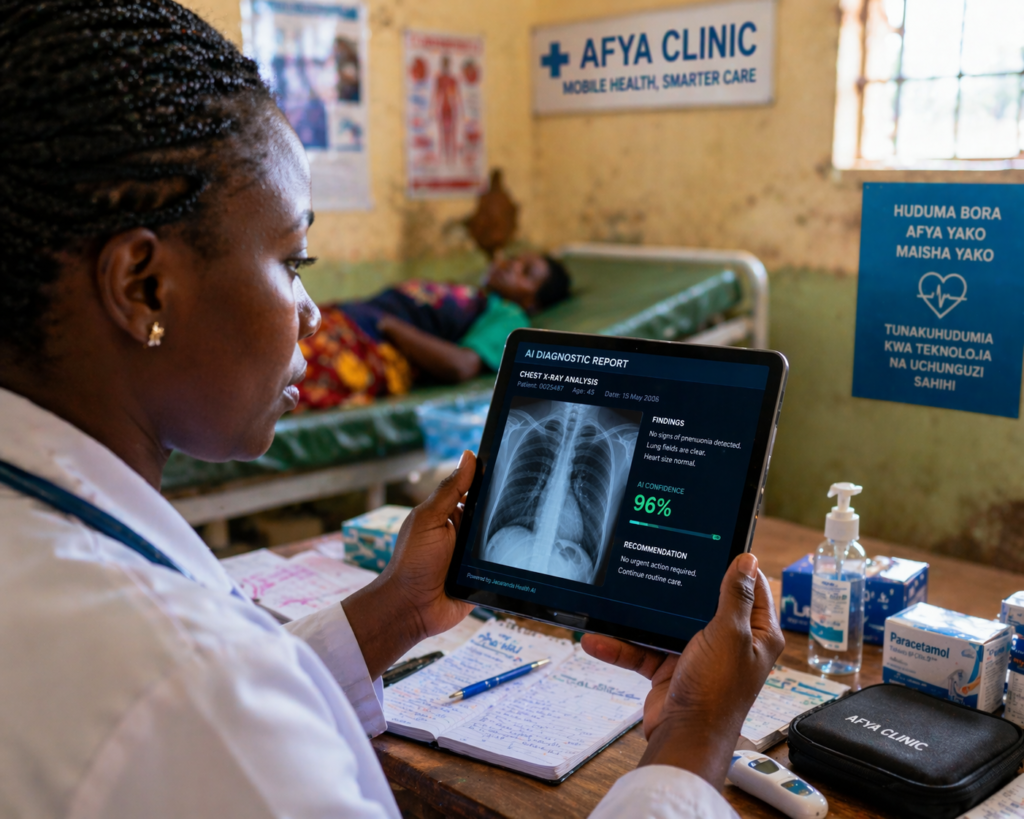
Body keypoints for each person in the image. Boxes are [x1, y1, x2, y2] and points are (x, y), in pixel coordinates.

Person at [0, 3, 784, 817]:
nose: (310, 311)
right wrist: (696, 730)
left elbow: (242, 688)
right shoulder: (195, 695)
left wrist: (398, 608)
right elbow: (219, 701)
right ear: (142, 286)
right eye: (291, 260)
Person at [297, 253, 571, 410]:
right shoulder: (473, 296)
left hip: (365, 344)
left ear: (532, 301)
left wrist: (391, 326)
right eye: (514, 259)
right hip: (341, 321)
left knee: (281, 366)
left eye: (526, 272)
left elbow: (461, 365)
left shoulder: (510, 315)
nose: (511, 266)